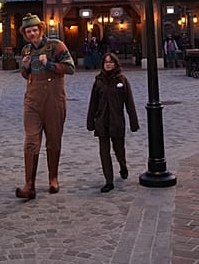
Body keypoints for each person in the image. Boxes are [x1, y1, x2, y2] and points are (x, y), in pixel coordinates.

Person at [15, 13, 76, 199]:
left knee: (53, 140)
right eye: (28, 31)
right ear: (25, 34)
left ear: (41, 29)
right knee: (31, 141)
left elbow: (70, 68)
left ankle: (53, 178)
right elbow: (27, 76)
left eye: (34, 30)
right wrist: (24, 67)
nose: (32, 33)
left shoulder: (56, 46)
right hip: (32, 101)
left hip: (54, 100)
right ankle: (29, 185)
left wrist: (48, 64)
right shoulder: (26, 50)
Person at [86, 53, 139, 193]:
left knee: (119, 149)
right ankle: (108, 181)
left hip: (117, 121)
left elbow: (129, 102)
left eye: (111, 62)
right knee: (104, 152)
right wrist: (90, 121)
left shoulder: (122, 80)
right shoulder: (98, 81)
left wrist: (134, 122)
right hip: (102, 121)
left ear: (115, 64)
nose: (108, 64)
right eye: (105, 62)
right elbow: (93, 103)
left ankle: (123, 165)